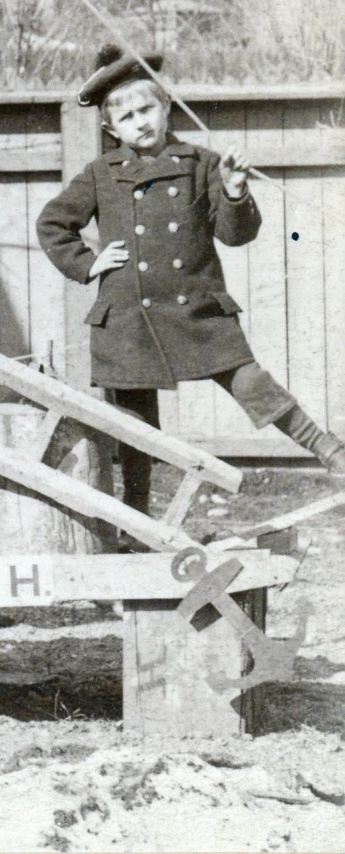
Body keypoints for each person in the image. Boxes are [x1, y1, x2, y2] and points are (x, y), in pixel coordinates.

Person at [38, 46, 345, 520]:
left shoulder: (203, 163)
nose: (140, 123)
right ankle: (137, 516)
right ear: (111, 129)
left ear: (166, 107)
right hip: (129, 317)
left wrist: (235, 190)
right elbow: (53, 223)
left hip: (197, 308)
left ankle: (328, 450)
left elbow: (235, 235)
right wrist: (88, 263)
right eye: (126, 117)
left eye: (146, 109)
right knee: (136, 425)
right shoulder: (101, 174)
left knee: (252, 383)